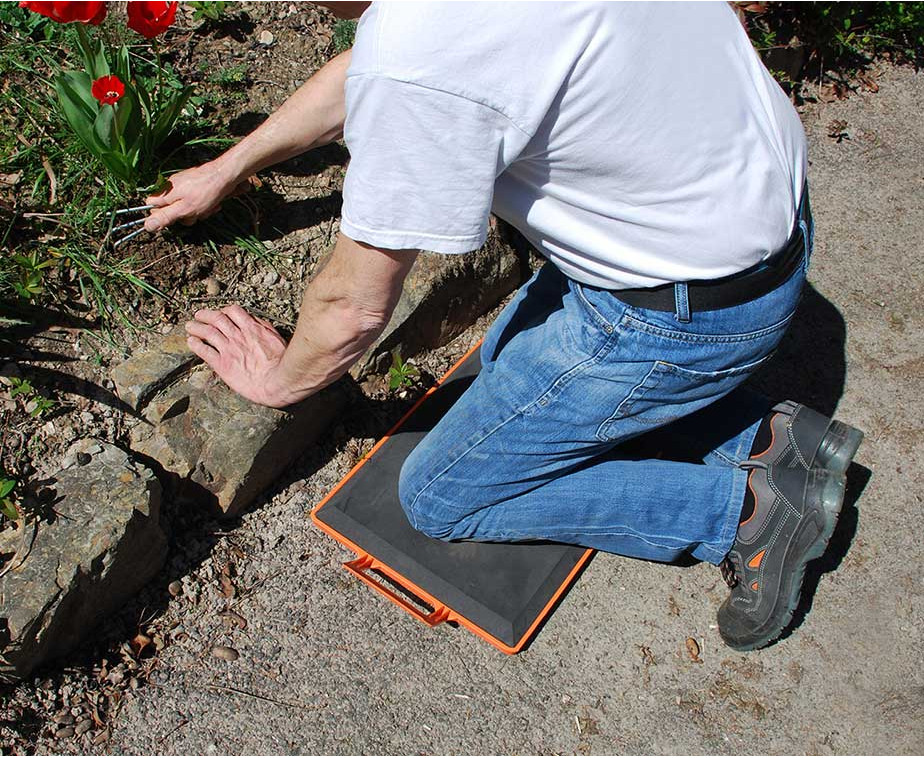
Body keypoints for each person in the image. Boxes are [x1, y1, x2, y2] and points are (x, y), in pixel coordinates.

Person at [143, 2, 862, 651]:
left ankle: (742, 513)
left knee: (443, 495)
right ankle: (768, 438)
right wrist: (230, 165)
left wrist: (276, 382)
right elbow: (375, 66)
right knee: (506, 355)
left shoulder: (421, 57)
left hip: (682, 313)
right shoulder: (429, 30)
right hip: (763, 218)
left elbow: (351, 312)